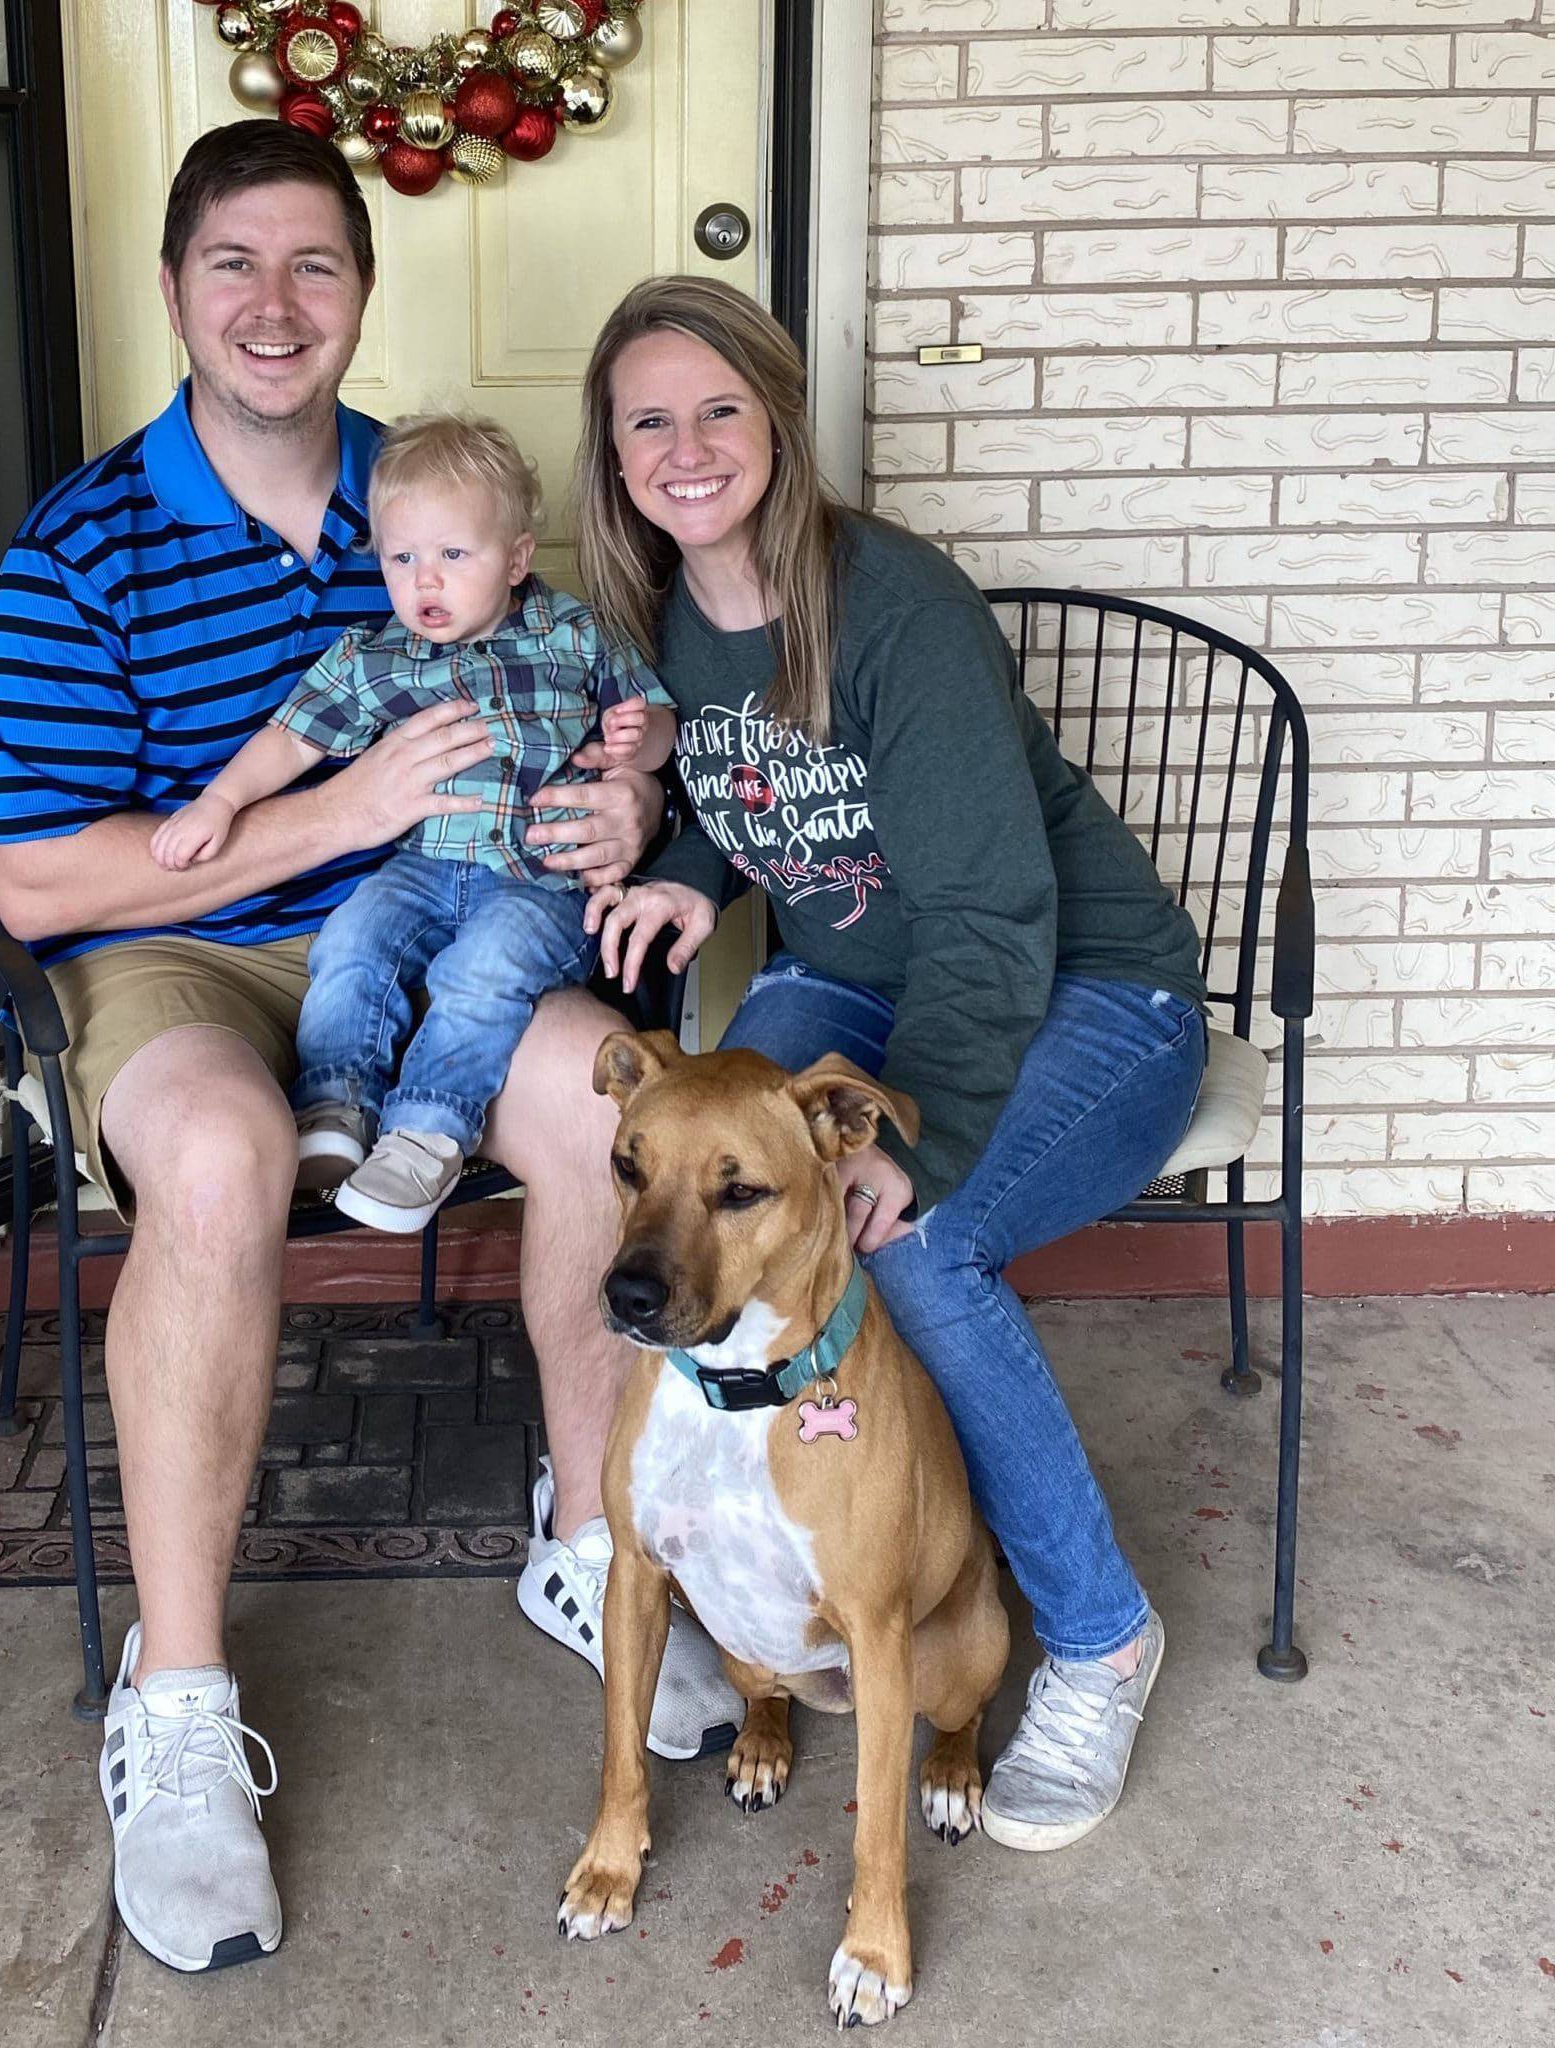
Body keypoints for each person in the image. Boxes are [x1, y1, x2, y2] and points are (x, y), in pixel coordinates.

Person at [0, 126, 738, 1978]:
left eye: (313, 266)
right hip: (177, 957)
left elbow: (593, 713)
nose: (272, 305)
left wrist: (618, 815)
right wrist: (328, 817)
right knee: (226, 1162)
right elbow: (37, 873)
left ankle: (586, 1539)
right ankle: (175, 1706)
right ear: (170, 293)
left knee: (597, 1098)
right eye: (233, 264)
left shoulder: (438, 501)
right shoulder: (83, 546)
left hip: (445, 936)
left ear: (360, 297)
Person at [578, 275, 1210, 1854]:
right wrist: (689, 872)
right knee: (702, 1154)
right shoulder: (663, 619)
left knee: (898, 1238)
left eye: (721, 408)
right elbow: (776, 807)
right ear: (613, 451)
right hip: (851, 982)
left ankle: (1097, 1632)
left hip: (1087, 993)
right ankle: (746, 1569)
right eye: (649, 417)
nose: (688, 446)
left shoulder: (897, 611)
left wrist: (913, 1148)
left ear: (781, 423)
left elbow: (994, 913)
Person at [154, 411, 676, 1233]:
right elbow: (290, 739)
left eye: (452, 556)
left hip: (541, 880)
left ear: (515, 561)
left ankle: (427, 1129)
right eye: (403, 559)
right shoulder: (377, 657)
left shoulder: (576, 635)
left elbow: (657, 722)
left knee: (485, 967)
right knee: (353, 938)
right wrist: (220, 801)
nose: (424, 582)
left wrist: (639, 741)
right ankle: (335, 1104)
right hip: (420, 868)